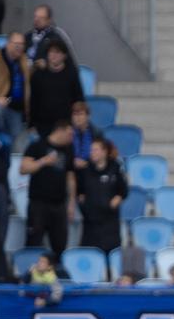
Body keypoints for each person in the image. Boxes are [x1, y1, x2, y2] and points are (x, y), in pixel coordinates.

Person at [20, 120, 76, 258]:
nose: (72, 138)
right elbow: (23, 169)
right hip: (38, 203)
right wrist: (43, 161)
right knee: (34, 242)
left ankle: (57, 274)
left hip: (59, 205)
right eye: (69, 134)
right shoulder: (37, 146)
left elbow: (70, 178)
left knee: (60, 244)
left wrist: (71, 203)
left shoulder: (69, 150)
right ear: (60, 131)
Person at [76, 138, 128, 253]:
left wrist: (115, 201)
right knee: (90, 252)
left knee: (110, 251)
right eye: (91, 150)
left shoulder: (115, 167)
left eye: (95, 150)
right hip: (90, 221)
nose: (92, 153)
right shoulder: (85, 169)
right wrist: (83, 203)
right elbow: (79, 191)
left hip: (110, 220)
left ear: (104, 152)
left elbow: (123, 190)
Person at [0, 31, 31, 145]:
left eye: (22, 44)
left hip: (18, 109)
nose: (19, 47)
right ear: (8, 44)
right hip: (3, 105)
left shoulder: (24, 60)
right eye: (16, 44)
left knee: (18, 142)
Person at [29, 39, 83, 137]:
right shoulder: (38, 75)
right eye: (51, 52)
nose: (53, 55)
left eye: (57, 52)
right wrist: (31, 124)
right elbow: (33, 100)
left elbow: (78, 97)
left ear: (64, 55)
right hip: (43, 125)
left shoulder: (72, 73)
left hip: (66, 125)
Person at [26, 4, 74, 69]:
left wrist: (46, 63)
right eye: (36, 16)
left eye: (41, 18)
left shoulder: (55, 38)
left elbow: (64, 60)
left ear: (49, 20)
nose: (37, 20)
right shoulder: (28, 36)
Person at [70, 101, 103, 172]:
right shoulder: (67, 132)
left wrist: (87, 163)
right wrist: (72, 161)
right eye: (75, 114)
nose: (77, 118)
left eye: (81, 114)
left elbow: (101, 155)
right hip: (70, 169)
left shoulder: (97, 133)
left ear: (88, 116)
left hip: (91, 169)